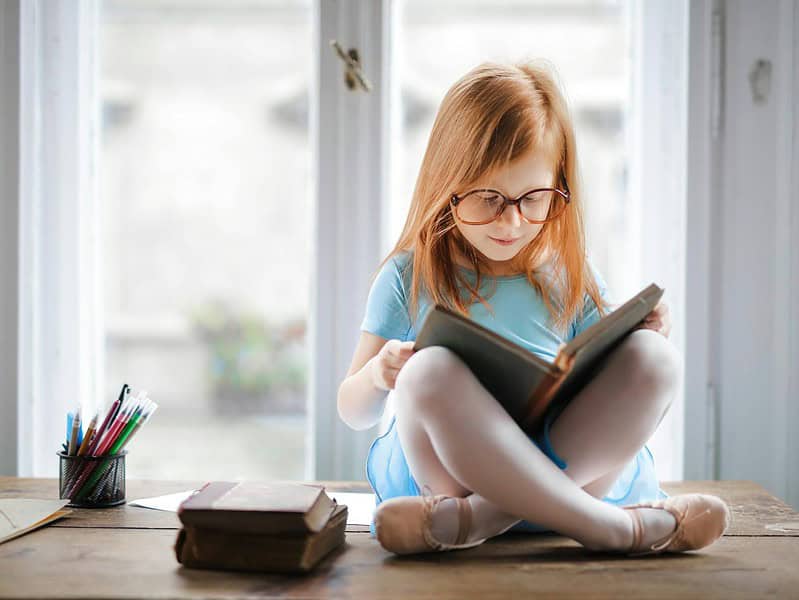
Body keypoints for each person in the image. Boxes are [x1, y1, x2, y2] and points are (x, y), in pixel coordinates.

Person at [337, 61, 730, 556]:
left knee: (655, 358)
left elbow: (615, 372)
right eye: (487, 199)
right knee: (426, 372)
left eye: (534, 198)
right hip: (452, 476)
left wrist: (645, 331)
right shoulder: (408, 275)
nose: (512, 221)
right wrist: (379, 374)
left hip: (562, 472)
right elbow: (352, 411)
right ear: (446, 185)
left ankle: (482, 519)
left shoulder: (568, 270)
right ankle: (613, 529)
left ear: (558, 188)